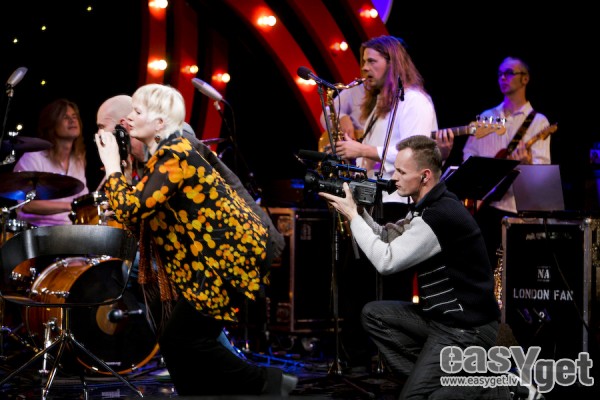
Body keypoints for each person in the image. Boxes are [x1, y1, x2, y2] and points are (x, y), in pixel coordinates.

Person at [95, 84, 295, 397]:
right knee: (177, 338)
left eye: (103, 129)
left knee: (184, 337)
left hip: (226, 253)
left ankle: (268, 383)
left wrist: (111, 168)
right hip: (205, 257)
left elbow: (136, 209)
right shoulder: (150, 153)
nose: (100, 137)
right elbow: (143, 212)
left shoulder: (175, 147)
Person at [319, 135, 510, 399]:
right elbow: (386, 237)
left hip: (467, 329)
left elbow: (386, 261)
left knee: (413, 398)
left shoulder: (439, 215)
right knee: (374, 315)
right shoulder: (426, 207)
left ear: (425, 176)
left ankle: (491, 387)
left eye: (401, 172)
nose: (394, 177)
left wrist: (353, 217)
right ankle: (439, 381)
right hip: (441, 320)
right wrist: (359, 212)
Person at [461, 56, 551, 264]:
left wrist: (527, 164)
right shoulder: (486, 117)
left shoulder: (539, 122)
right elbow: (468, 155)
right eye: (500, 73)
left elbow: (543, 175)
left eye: (509, 73)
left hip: (517, 211)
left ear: (525, 79)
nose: (503, 77)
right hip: (486, 208)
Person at [13, 98, 89, 226]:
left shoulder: (78, 160)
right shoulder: (33, 158)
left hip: (69, 230)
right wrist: (71, 205)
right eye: (65, 117)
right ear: (51, 124)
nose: (72, 120)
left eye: (74, 116)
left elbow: (83, 198)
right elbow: (27, 204)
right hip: (38, 230)